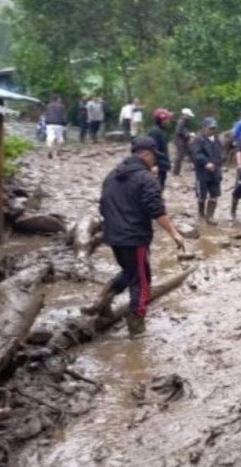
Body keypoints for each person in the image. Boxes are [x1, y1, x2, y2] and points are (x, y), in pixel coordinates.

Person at [83, 136, 185, 337]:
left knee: (129, 272)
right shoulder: (147, 179)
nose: (155, 160)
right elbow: (156, 210)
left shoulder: (112, 175)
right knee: (142, 280)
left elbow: (103, 204)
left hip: (113, 236)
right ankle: (136, 327)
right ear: (147, 154)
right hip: (134, 237)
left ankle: (101, 302)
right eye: (154, 156)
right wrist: (175, 233)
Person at [192, 117, 224, 225]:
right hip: (202, 172)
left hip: (216, 171)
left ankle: (210, 216)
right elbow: (196, 154)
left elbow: (220, 154)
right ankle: (201, 215)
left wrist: (219, 164)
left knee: (215, 194)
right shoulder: (198, 139)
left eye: (214, 128)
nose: (212, 130)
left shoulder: (217, 139)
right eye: (210, 128)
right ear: (204, 128)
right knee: (202, 195)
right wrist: (206, 162)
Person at [148, 108, 173, 190]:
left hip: (162, 165)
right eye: (167, 119)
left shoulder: (162, 131)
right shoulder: (155, 132)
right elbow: (152, 149)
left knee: (161, 186)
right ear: (162, 120)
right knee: (156, 187)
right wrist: (154, 164)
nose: (168, 121)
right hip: (158, 166)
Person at [44, 94, 67, 159]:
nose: (60, 99)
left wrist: (46, 122)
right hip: (59, 124)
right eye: (59, 98)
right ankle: (59, 151)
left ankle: (49, 151)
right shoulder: (61, 106)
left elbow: (46, 114)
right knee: (60, 138)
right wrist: (65, 124)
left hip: (49, 124)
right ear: (57, 99)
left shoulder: (48, 106)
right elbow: (63, 116)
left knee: (50, 138)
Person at [173, 108, 194, 176]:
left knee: (190, 151)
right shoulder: (181, 121)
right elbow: (178, 131)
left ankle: (177, 171)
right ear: (185, 115)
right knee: (180, 155)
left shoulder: (184, 122)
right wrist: (188, 134)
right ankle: (176, 172)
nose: (190, 117)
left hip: (182, 140)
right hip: (180, 140)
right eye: (189, 116)